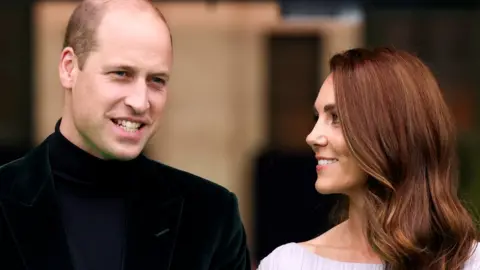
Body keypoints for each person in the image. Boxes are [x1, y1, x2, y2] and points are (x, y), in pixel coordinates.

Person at [0, 0, 251, 269]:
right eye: (121, 74)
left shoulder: (210, 216)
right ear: (69, 68)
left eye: (157, 80)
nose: (140, 102)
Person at [257, 47, 480, 270]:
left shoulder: (470, 261)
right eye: (318, 117)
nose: (312, 137)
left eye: (335, 117)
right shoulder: (288, 264)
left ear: (389, 131)